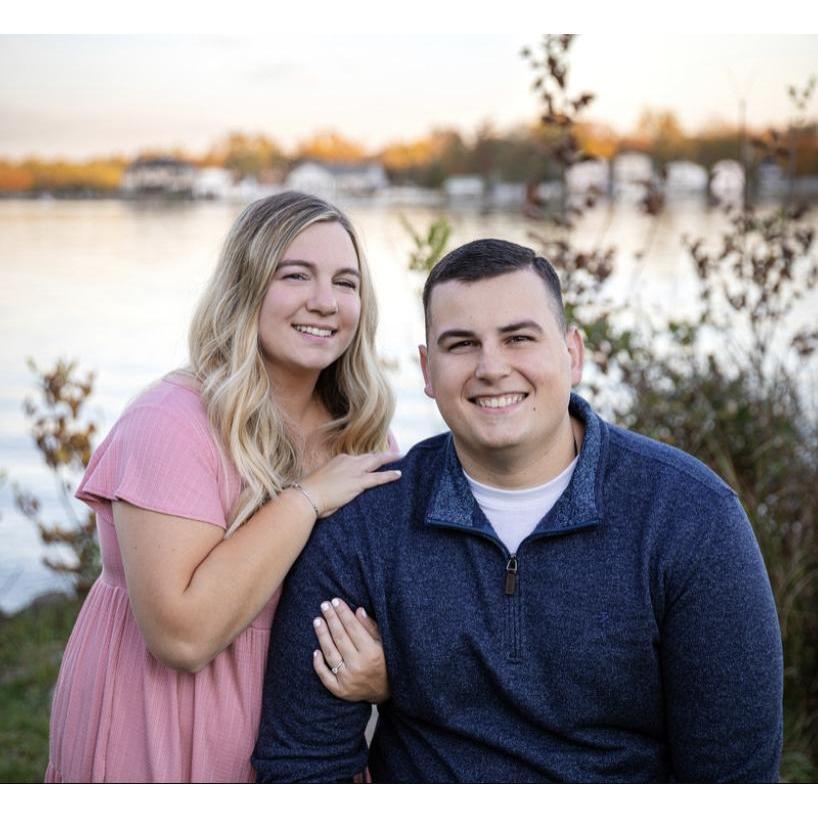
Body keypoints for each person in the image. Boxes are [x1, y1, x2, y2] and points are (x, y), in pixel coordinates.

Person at [252, 238, 783, 783]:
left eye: (519, 338)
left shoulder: (690, 517)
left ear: (572, 354)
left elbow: (733, 780)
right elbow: (301, 766)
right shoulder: (365, 527)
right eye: (462, 344)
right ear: (428, 371)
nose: (492, 367)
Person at [46, 191, 399, 783]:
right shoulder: (172, 422)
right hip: (165, 727)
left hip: (312, 747)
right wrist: (306, 500)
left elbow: (399, 610)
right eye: (295, 275)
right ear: (245, 285)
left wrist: (387, 673)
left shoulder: (363, 437)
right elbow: (181, 637)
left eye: (346, 282)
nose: (325, 301)